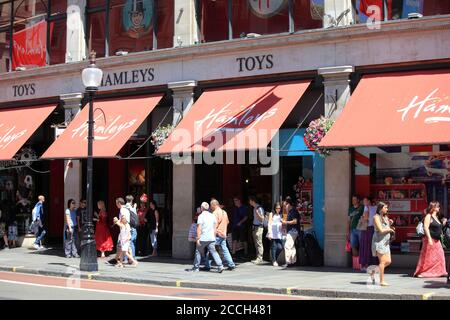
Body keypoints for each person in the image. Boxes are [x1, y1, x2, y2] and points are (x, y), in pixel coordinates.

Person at [414, 201, 448, 278]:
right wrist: (429, 238)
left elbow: (437, 227)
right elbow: (426, 228)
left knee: (440, 255)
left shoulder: (436, 217)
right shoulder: (428, 216)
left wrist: (443, 223)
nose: (439, 208)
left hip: (437, 240)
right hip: (430, 239)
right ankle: (423, 272)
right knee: (428, 257)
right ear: (433, 208)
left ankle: (440, 271)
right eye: (437, 206)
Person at [188, 202, 224, 273]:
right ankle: (220, 266)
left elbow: (199, 228)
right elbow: (214, 227)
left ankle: (196, 267)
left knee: (198, 251)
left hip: (203, 238)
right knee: (214, 252)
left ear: (201, 208)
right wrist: (213, 236)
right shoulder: (212, 215)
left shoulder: (201, 216)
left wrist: (198, 238)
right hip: (211, 238)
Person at [206, 199, 236, 271]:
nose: (210, 207)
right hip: (223, 233)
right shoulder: (224, 212)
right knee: (225, 249)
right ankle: (231, 264)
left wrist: (212, 235)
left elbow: (214, 225)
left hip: (217, 234)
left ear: (214, 205)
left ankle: (208, 265)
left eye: (211, 205)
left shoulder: (215, 213)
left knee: (209, 248)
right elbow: (227, 222)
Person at [371, 202, 395, 286]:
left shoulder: (385, 217)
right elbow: (381, 230)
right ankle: (381, 281)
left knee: (388, 261)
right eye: (385, 207)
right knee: (383, 261)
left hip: (385, 242)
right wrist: (390, 230)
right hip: (379, 242)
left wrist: (390, 224)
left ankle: (373, 272)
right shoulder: (376, 217)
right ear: (380, 208)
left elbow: (385, 226)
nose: (387, 209)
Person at [359, 197, 378, 271]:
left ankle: (365, 265)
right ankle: (374, 264)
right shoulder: (375, 207)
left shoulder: (366, 207)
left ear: (369, 201)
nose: (364, 202)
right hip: (374, 229)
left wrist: (362, 217)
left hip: (366, 229)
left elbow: (366, 218)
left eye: (365, 201)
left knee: (365, 246)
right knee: (373, 246)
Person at [282, 198, 299, 267]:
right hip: (292, 231)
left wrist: (285, 222)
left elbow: (295, 221)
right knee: (291, 246)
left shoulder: (293, 211)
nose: (284, 207)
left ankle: (289, 262)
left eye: (285, 205)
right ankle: (293, 261)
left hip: (293, 231)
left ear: (288, 205)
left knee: (287, 246)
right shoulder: (291, 211)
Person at [348, 195, 364, 270]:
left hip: (360, 229)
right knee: (353, 246)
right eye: (352, 199)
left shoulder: (362, 208)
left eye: (354, 199)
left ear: (358, 200)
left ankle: (362, 263)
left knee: (362, 245)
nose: (353, 201)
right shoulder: (350, 209)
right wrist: (348, 231)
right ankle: (356, 264)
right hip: (352, 229)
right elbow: (349, 220)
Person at [249, 196, 265, 264]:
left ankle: (260, 258)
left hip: (259, 227)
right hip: (255, 227)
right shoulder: (254, 208)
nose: (249, 202)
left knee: (259, 242)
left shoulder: (259, 208)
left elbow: (262, 219)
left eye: (250, 200)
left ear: (253, 201)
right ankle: (257, 257)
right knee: (256, 242)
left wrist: (257, 212)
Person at [267, 202, 283, 267]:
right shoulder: (272, 214)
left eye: (279, 208)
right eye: (277, 208)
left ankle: (275, 258)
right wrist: (269, 233)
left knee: (280, 247)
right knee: (274, 246)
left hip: (279, 232)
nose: (278, 209)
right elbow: (269, 223)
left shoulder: (281, 214)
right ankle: (274, 260)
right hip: (273, 232)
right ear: (274, 208)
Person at [125, 195, 138, 259]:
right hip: (132, 227)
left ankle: (127, 257)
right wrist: (135, 207)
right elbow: (135, 215)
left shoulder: (125, 207)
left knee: (128, 242)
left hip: (128, 227)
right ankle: (132, 257)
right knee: (132, 242)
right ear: (132, 200)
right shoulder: (131, 207)